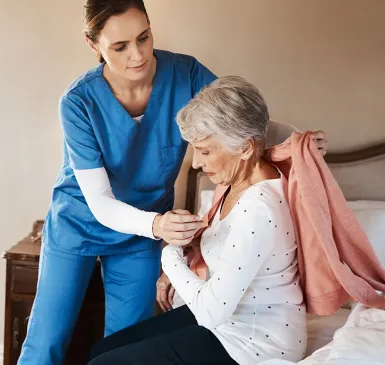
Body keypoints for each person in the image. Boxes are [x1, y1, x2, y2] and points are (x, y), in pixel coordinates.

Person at [17, 1, 326, 364]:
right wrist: (159, 227)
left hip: (143, 233)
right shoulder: (78, 102)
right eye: (120, 46)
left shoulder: (186, 75)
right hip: (80, 222)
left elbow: (237, 120)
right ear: (93, 45)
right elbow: (100, 202)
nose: (138, 55)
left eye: (144, 37)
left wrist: (295, 141)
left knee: (122, 344)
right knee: (45, 343)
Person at [88, 76, 307, 365]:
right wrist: (192, 237)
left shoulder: (260, 209)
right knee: (99, 351)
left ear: (244, 148)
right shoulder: (237, 180)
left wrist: (170, 255)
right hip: (227, 322)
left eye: (204, 150)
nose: (196, 163)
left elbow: (210, 311)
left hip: (254, 342)